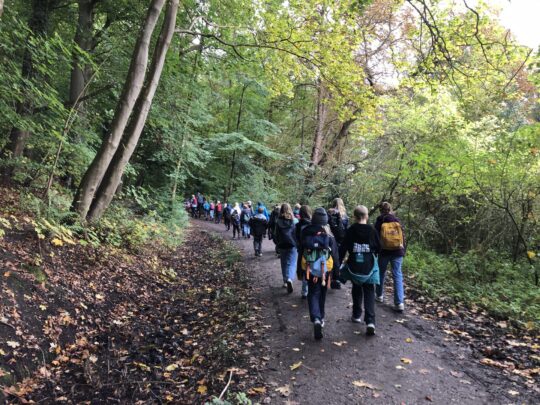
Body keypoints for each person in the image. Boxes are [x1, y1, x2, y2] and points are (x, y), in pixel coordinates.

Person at [298, 207, 340, 340]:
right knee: (322, 293)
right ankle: (321, 318)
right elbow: (335, 255)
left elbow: (301, 251)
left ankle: (315, 318)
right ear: (325, 220)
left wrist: (300, 271)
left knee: (313, 293)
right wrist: (336, 274)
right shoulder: (328, 234)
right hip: (325, 269)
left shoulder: (306, 232)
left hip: (310, 269)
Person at [339, 205, 381, 336]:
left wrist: (338, 262)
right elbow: (379, 247)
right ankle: (370, 321)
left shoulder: (351, 230)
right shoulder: (372, 230)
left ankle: (356, 315)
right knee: (369, 291)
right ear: (367, 216)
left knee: (356, 288)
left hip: (354, 265)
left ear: (354, 217)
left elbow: (344, 247)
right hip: (369, 265)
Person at [374, 202, 406, 312]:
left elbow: (376, 237)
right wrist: (403, 251)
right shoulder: (396, 220)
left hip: (384, 252)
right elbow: (403, 237)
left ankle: (379, 295)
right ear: (390, 209)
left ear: (381, 210)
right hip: (398, 251)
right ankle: (399, 303)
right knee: (397, 274)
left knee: (381, 272)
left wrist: (376, 250)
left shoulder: (380, 221)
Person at [275, 203, 298, 293]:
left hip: (282, 244)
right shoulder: (295, 220)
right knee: (292, 263)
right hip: (292, 244)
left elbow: (276, 234)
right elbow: (297, 233)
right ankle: (290, 279)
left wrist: (277, 243)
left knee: (283, 262)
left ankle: (285, 281)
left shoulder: (278, 221)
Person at [328, 198, 349, 289]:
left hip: (331, 239)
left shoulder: (329, 213)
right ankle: (335, 278)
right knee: (339, 259)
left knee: (331, 257)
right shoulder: (345, 216)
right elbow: (346, 229)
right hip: (342, 240)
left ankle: (330, 276)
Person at [295, 205, 312, 299]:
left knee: (305, 269)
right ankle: (311, 290)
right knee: (313, 268)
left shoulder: (298, 225)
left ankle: (304, 291)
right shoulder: (313, 224)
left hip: (302, 250)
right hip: (313, 250)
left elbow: (296, 238)